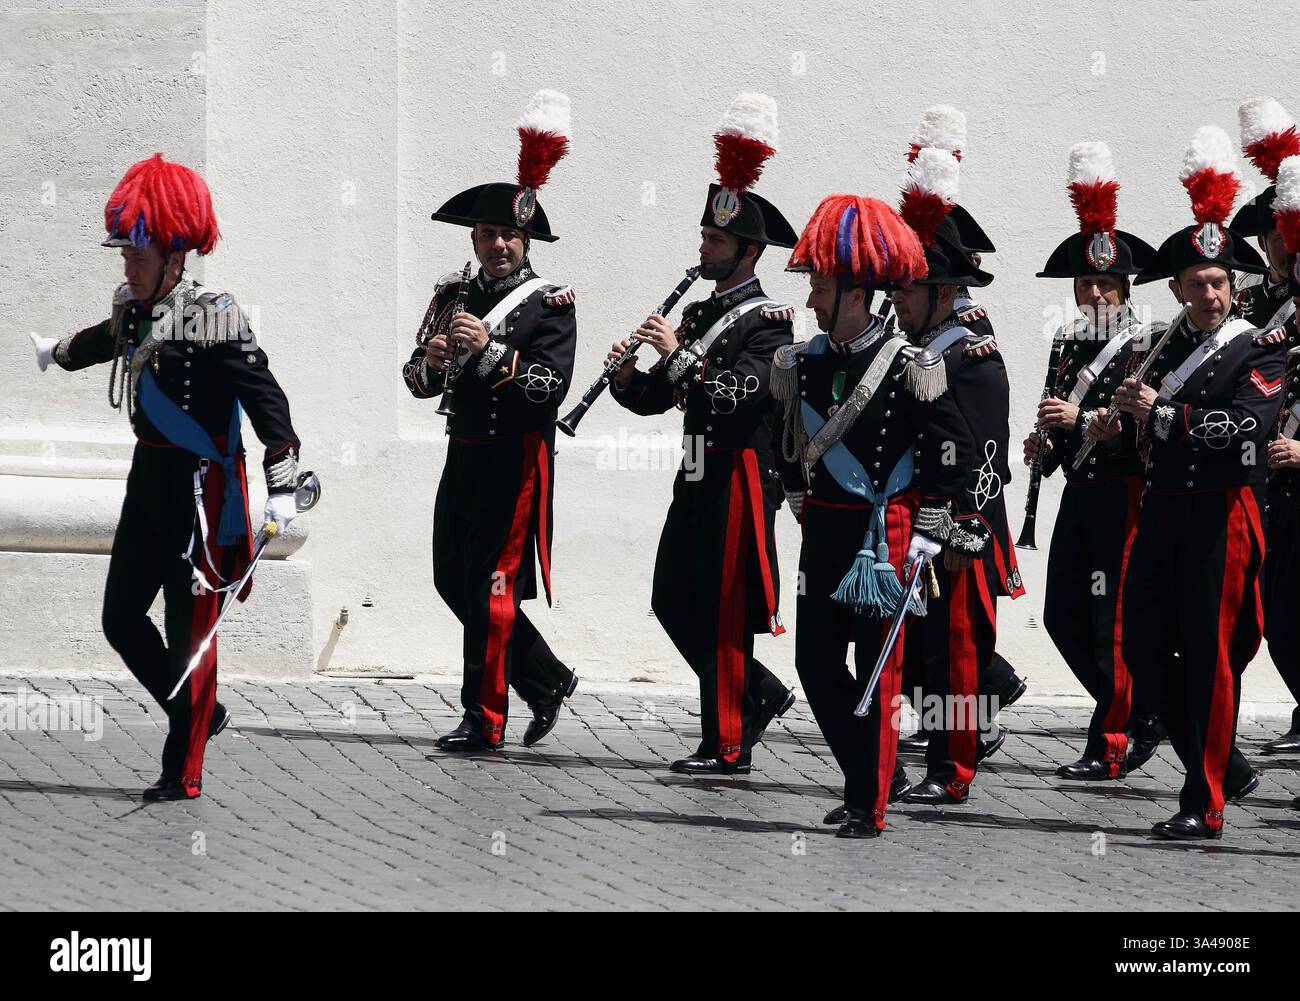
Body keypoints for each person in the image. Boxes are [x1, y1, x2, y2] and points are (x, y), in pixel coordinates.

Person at [29, 153, 302, 800]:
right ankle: (200, 711)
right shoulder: (133, 307)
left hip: (202, 492)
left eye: (139, 256)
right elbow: (105, 339)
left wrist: (283, 483)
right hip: (147, 480)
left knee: (189, 630)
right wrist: (58, 352)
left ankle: (183, 769)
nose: (128, 267)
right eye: (125, 254)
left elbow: (267, 400)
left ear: (176, 256)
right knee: (121, 617)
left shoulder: (216, 316)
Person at [772, 192, 972, 837]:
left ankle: (868, 801)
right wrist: (796, 497)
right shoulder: (804, 363)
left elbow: (954, 450)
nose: (810, 300)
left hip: (885, 535)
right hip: (825, 530)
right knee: (814, 662)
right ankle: (871, 772)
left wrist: (931, 524)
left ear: (855, 294)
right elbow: (785, 441)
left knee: (878, 671)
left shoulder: (908, 365)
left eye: (820, 288)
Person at [609, 93, 797, 775]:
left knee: (723, 610)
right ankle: (758, 693)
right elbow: (662, 398)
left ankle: (727, 742)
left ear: (749, 250)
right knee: (670, 597)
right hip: (695, 470)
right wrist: (627, 376)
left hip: (741, 475)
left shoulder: (770, 321)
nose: (703, 248)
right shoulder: (696, 313)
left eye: (716, 241)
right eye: (704, 236)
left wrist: (679, 356)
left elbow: (737, 396)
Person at [1115, 126, 1281, 839]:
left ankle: (1204, 801)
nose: (1209, 294)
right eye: (1196, 284)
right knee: (1141, 649)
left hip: (1221, 515)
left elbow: (1245, 430)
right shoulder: (1164, 346)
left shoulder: (1259, 348)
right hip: (1163, 512)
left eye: (1219, 283)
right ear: (1178, 289)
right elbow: (1146, 421)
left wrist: (1162, 413)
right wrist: (1120, 422)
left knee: (1211, 660)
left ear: (1233, 287)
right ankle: (1222, 767)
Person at [403, 90, 578, 752]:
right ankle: (547, 678)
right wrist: (432, 360)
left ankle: (485, 717)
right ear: (473, 239)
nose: (499, 244)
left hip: (516, 456)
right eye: (488, 235)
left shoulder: (550, 303)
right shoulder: (452, 294)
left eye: (509, 236)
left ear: (525, 241)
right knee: (452, 578)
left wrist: (491, 352)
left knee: (492, 589)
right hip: (464, 449)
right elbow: (416, 382)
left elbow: (550, 386)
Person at [1026, 141, 1164, 780]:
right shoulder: (1067, 341)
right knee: (1062, 614)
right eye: (1086, 283)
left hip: (1123, 492)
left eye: (1105, 282)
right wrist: (1045, 447)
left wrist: (1080, 422)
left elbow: (1140, 429)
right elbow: (1060, 418)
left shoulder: (1148, 342)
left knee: (1111, 620)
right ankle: (1143, 710)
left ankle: (1112, 740)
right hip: (1079, 492)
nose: (1095, 291)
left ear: (1124, 286)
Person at [892, 147, 1018, 805]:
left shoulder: (970, 353)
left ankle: (953, 769)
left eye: (906, 290)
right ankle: (949, 751)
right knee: (925, 651)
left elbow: (980, 456)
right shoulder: (922, 344)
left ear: (941, 292)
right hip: (922, 516)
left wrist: (952, 529)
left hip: (959, 523)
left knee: (957, 652)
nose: (895, 300)